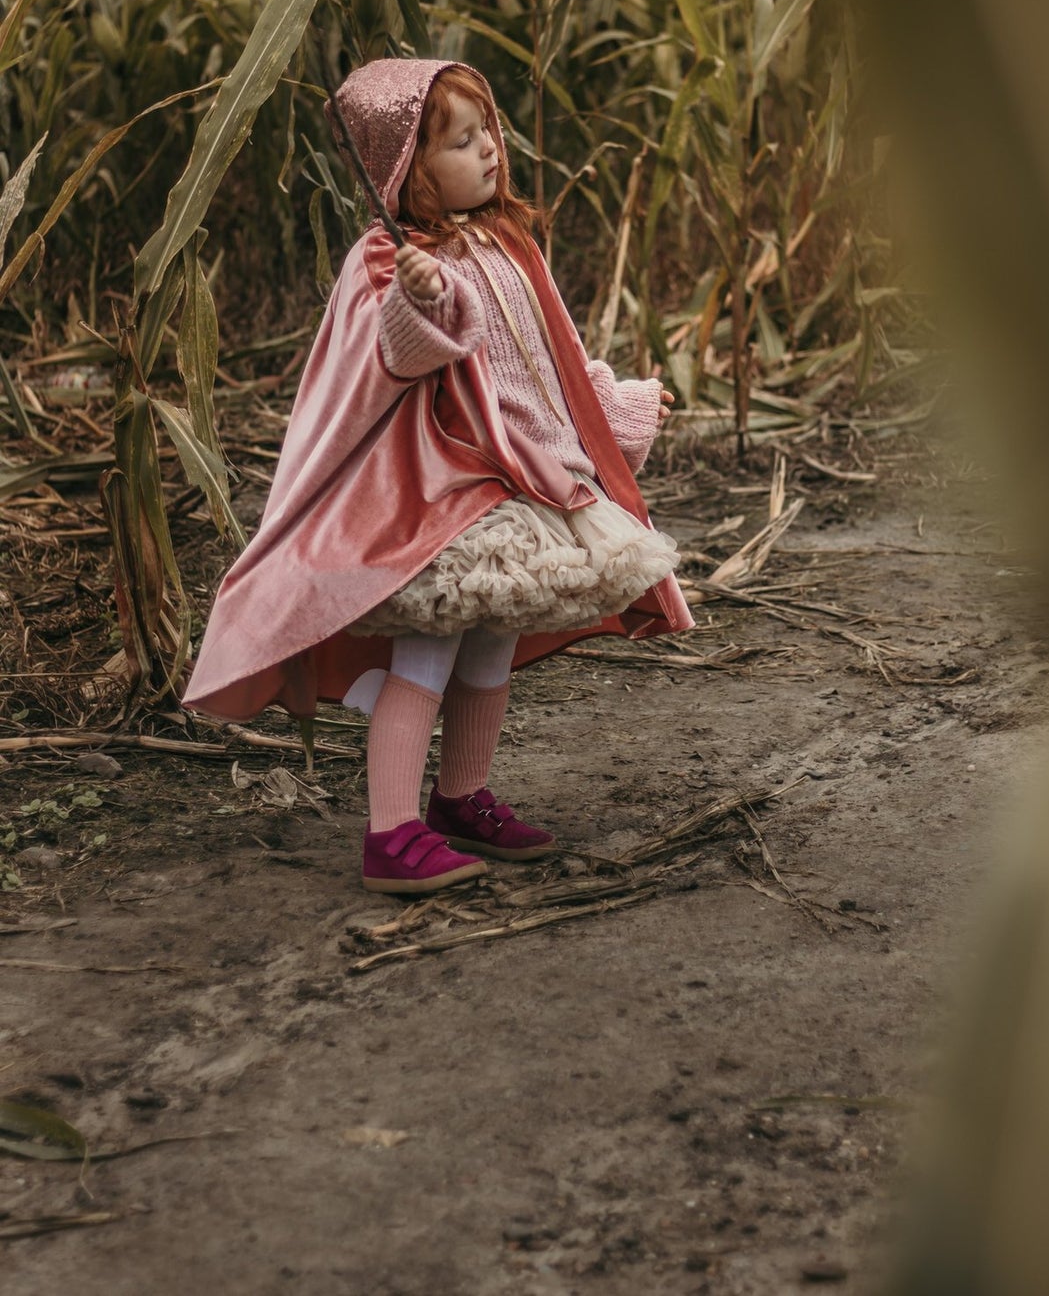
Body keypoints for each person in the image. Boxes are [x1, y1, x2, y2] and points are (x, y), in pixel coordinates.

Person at [183, 58, 693, 895]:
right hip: (447, 490)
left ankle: (461, 797)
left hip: (528, 476)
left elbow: (550, 358)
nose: (489, 148)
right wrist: (419, 298)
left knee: (491, 640)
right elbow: (393, 355)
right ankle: (391, 831)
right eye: (461, 140)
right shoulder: (389, 260)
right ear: (407, 168)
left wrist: (615, 403)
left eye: (487, 130)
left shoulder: (508, 242)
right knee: (431, 647)